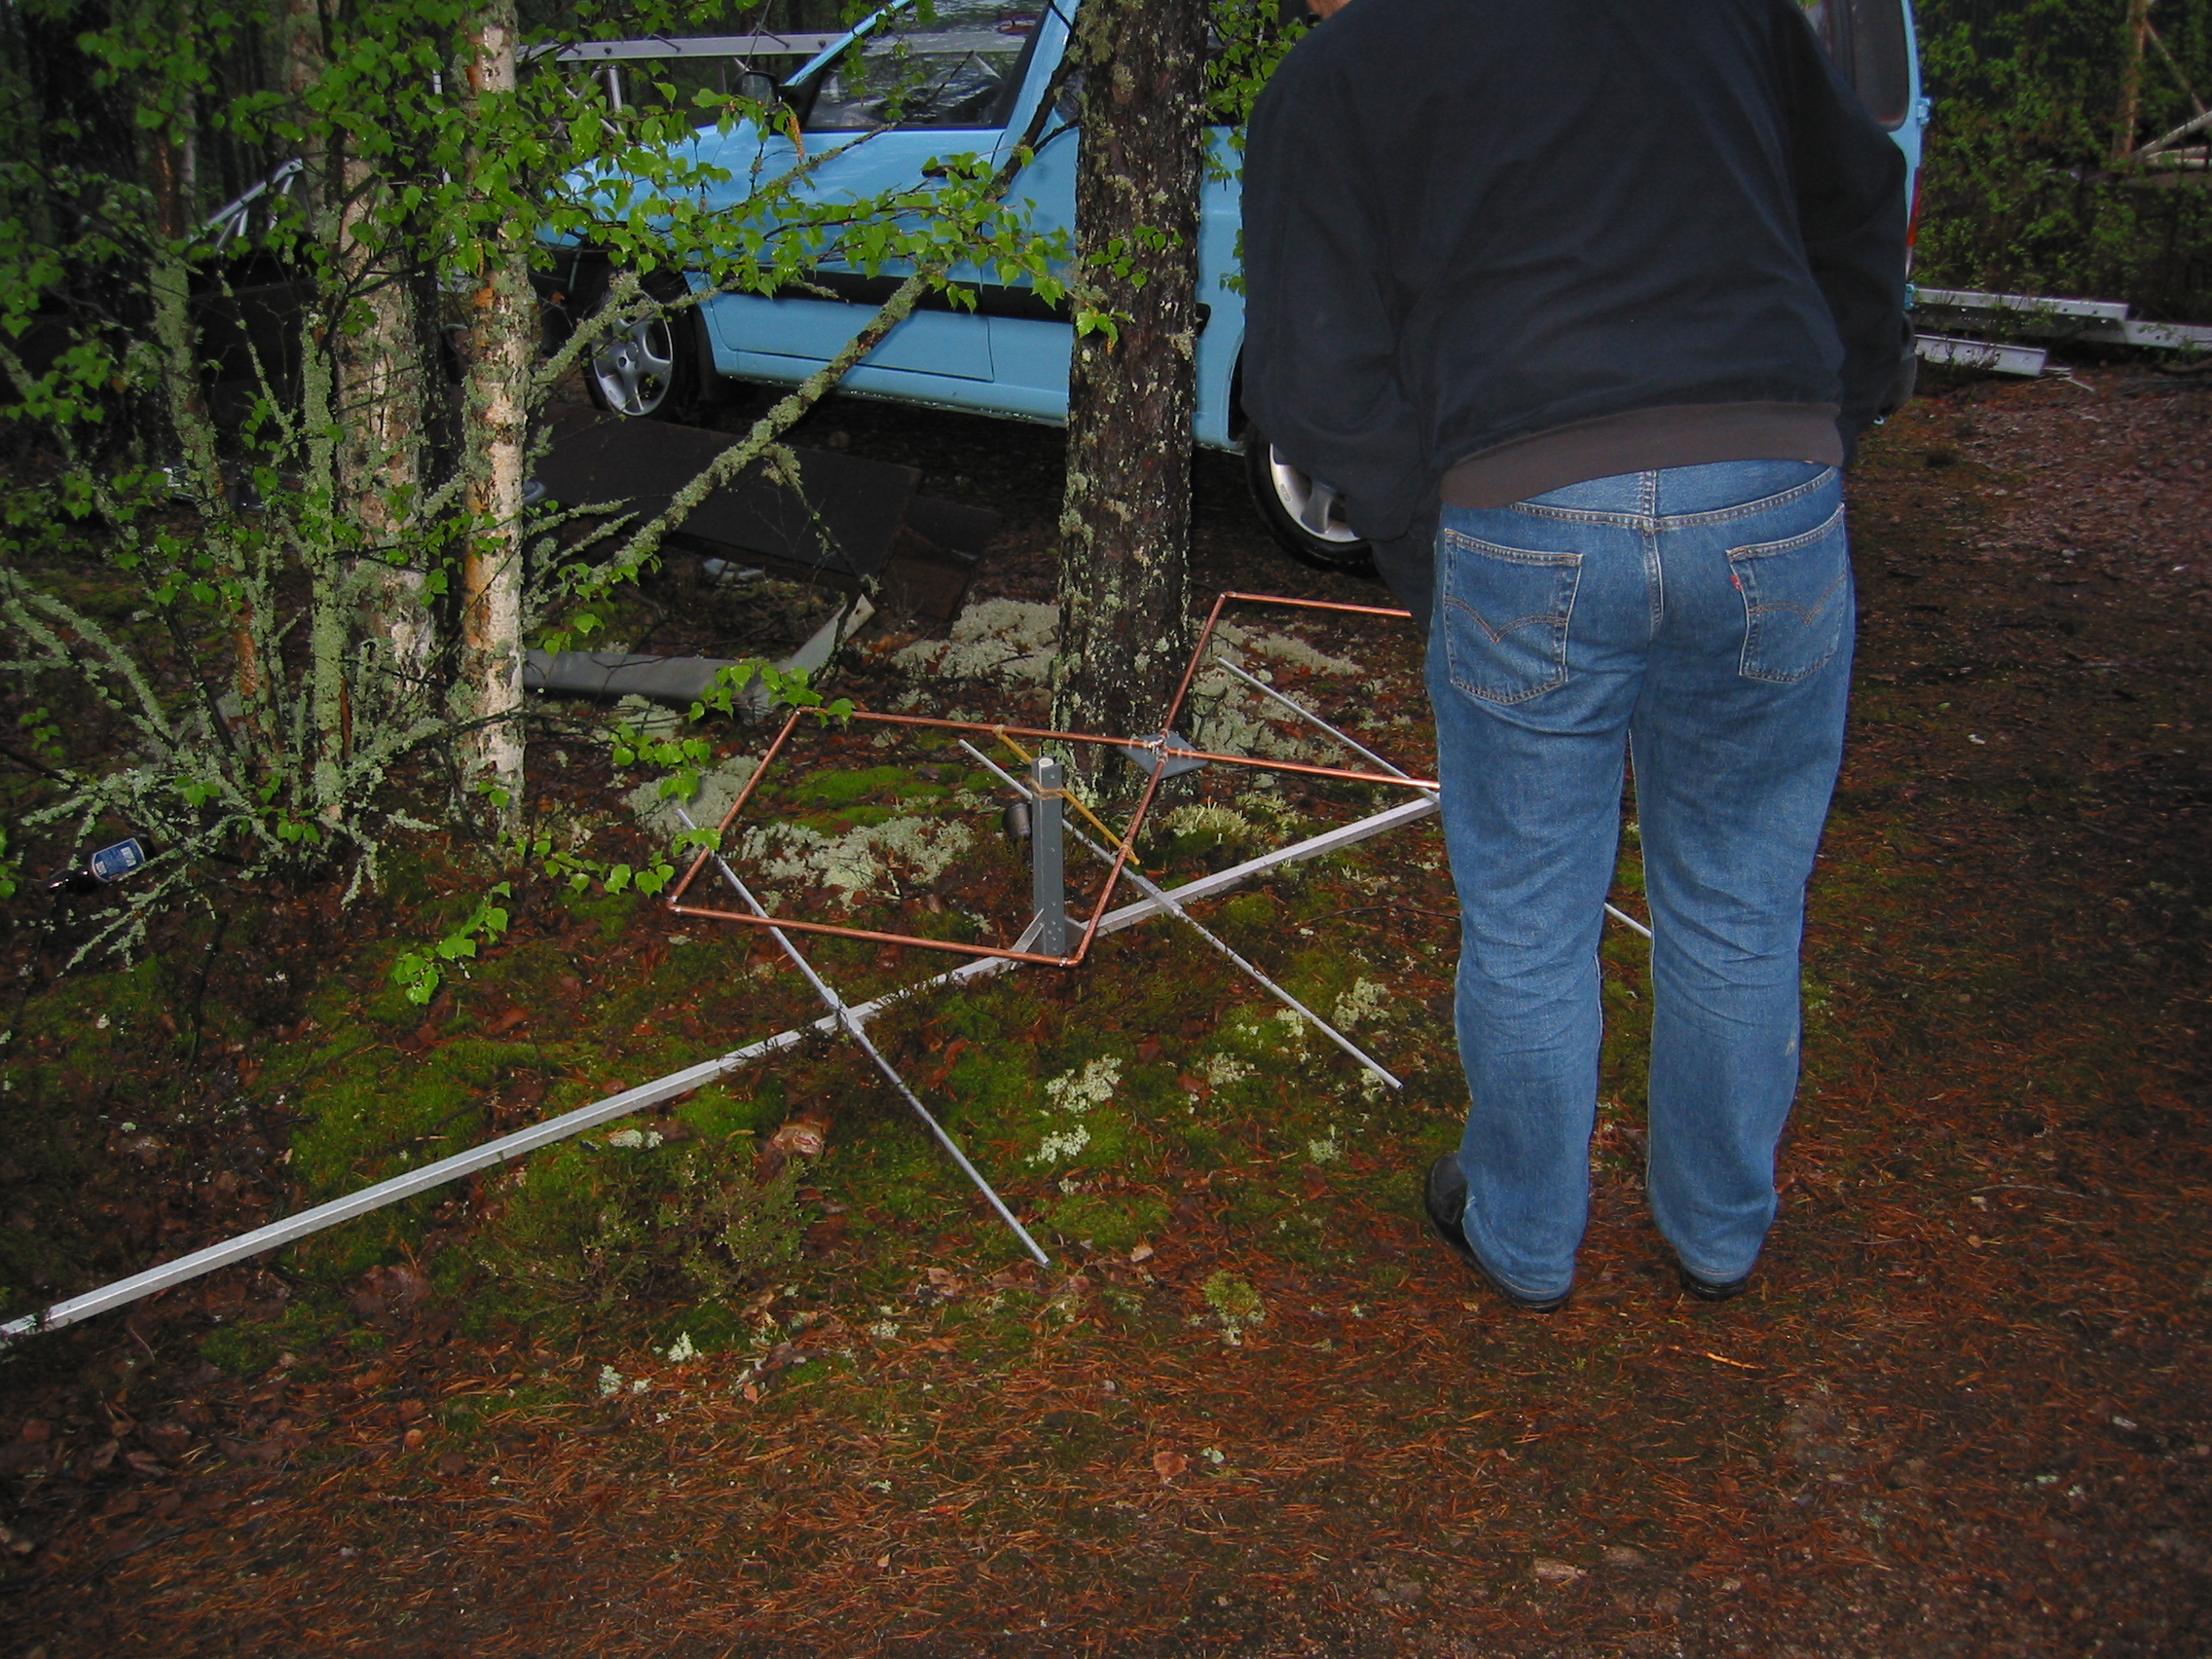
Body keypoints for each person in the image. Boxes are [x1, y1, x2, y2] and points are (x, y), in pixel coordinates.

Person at [1241, 0, 1908, 1309]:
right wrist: (1836, 408)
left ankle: (1527, 1236)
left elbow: (1311, 374)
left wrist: (1431, 545)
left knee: (1529, 912)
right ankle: (1718, 1232)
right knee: (1740, 892)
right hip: (1767, 479)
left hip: (1526, 498)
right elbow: (1859, 191)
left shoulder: (1340, 69)